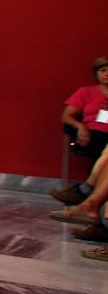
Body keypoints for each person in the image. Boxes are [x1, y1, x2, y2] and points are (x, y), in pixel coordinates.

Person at [54, 56, 108, 204]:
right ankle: (91, 195)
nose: (106, 74)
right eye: (103, 70)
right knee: (103, 145)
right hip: (92, 132)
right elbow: (66, 116)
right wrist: (80, 127)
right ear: (96, 74)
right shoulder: (86, 92)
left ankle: (87, 192)